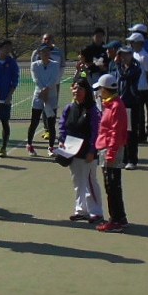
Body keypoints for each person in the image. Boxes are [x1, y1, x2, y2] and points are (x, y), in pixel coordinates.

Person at [57, 79, 103, 223]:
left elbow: (96, 132)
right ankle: (81, 210)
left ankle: (96, 212)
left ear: (86, 92)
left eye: (80, 89)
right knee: (77, 181)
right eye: (75, 88)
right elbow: (63, 126)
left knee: (90, 181)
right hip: (72, 151)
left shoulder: (93, 110)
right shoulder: (69, 108)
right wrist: (61, 141)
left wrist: (92, 150)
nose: (77, 91)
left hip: (88, 153)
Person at [93, 73, 130, 232]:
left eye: (100, 89)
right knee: (112, 186)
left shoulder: (116, 106)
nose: (99, 92)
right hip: (105, 148)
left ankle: (115, 220)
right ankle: (120, 218)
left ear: (106, 90)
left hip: (110, 150)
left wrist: (110, 154)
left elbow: (116, 132)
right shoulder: (109, 104)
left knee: (112, 186)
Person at [26, 43, 63, 155]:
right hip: (39, 96)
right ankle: (30, 145)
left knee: (51, 123)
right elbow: (35, 79)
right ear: (39, 53)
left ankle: (51, 147)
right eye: (43, 52)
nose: (46, 54)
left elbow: (54, 79)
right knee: (34, 121)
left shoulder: (55, 65)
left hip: (51, 97)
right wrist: (43, 91)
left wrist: (47, 90)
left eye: (48, 51)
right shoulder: (34, 65)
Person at [0, 39, 21, 157]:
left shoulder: (12, 63)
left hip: (5, 100)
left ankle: (4, 147)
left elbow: (15, 81)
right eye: (6, 47)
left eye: (9, 48)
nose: (8, 50)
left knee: (5, 123)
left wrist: (9, 95)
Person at [112, 45, 143, 169]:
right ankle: (123, 158)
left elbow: (126, 76)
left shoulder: (136, 68)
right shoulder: (119, 68)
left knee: (131, 133)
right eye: (121, 54)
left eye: (126, 54)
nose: (123, 57)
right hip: (120, 104)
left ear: (131, 55)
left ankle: (132, 160)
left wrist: (117, 65)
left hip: (131, 103)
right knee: (121, 132)